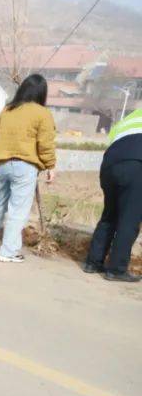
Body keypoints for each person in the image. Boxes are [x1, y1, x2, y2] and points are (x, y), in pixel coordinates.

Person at [0, 74, 57, 263]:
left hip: (2, 163)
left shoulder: (9, 109)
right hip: (25, 166)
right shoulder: (42, 113)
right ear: (42, 93)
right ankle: (8, 251)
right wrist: (50, 166)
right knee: (17, 210)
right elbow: (45, 144)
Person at [83, 108, 141, 282]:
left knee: (110, 214)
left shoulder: (132, 116)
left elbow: (113, 139)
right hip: (136, 164)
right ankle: (116, 270)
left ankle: (93, 262)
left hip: (110, 164)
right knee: (129, 219)